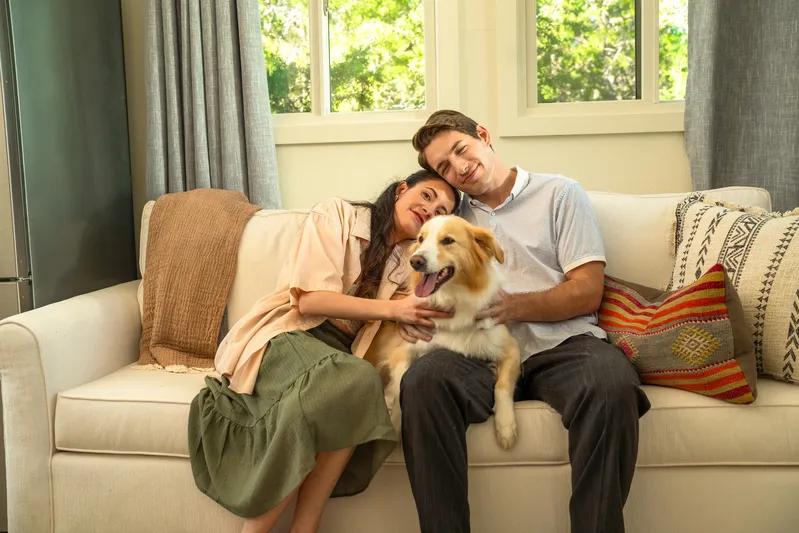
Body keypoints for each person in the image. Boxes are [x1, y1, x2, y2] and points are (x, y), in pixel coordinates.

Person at [400, 110, 651, 533]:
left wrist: (513, 306)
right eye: (444, 166)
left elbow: (588, 289)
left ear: (483, 135)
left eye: (460, 150)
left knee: (610, 383)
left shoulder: (560, 193)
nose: (458, 167)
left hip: (563, 344)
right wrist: (409, 314)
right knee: (423, 380)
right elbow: (421, 275)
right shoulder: (451, 222)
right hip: (478, 351)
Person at [188, 170, 459, 533]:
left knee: (353, 388)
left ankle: (305, 527)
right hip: (288, 335)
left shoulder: (414, 258)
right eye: (427, 196)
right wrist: (395, 310)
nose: (430, 209)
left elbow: (416, 311)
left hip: (339, 359)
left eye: (441, 210)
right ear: (401, 190)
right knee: (355, 379)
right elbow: (311, 302)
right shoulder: (337, 215)